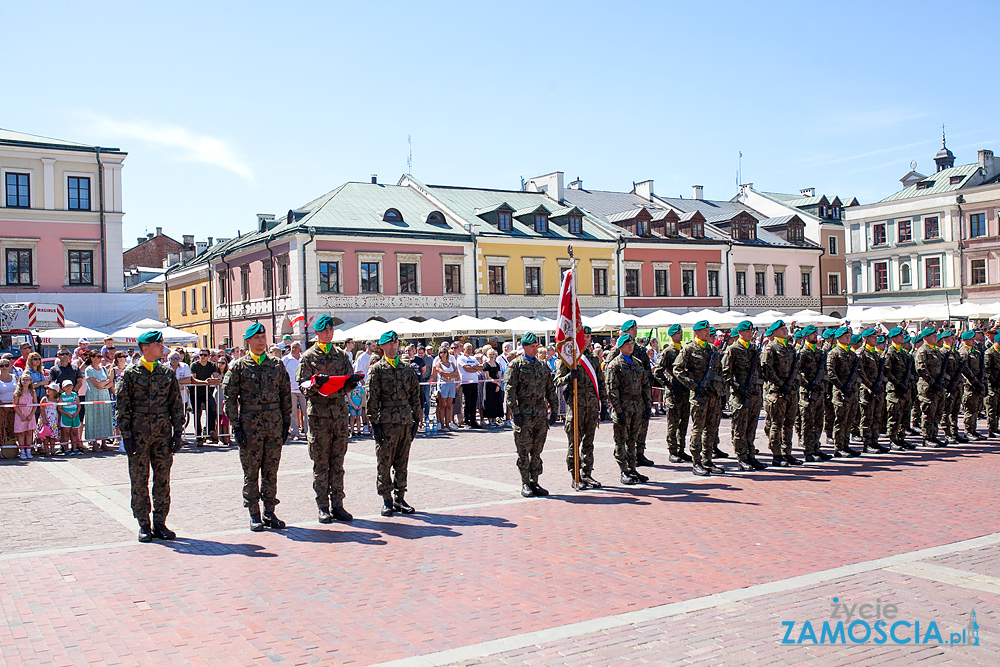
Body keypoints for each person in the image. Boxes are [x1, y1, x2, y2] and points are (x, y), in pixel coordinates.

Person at [115, 330, 185, 543]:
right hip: (139, 434)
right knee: (139, 480)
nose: (162, 347)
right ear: (145, 348)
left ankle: (160, 523)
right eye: (158, 344)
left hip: (163, 434)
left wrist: (178, 432)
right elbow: (122, 406)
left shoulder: (166, 373)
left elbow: (175, 404)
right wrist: (125, 436)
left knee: (162, 479)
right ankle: (143, 524)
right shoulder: (131, 374)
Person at [223, 323, 292, 532]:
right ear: (248, 341)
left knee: (271, 470)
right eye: (257, 337)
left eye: (264, 337)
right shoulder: (239, 367)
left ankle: (269, 511)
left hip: (273, 424)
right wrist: (236, 426)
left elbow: (285, 394)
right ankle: (254, 512)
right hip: (250, 425)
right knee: (251, 471)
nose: (262, 340)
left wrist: (286, 421)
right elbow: (229, 398)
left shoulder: (277, 364)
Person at [296, 315, 361, 523]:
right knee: (321, 463)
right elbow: (302, 386)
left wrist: (352, 381)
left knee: (338, 462)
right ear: (316, 333)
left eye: (331, 330)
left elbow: (347, 383)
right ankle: (323, 506)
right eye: (324, 330)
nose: (328, 333)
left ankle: (338, 505)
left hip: (339, 415)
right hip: (319, 416)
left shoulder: (341, 355)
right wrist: (315, 385)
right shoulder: (308, 357)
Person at [365, 331, 421, 516]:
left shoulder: (407, 368)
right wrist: (374, 423)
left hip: (405, 420)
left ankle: (400, 497)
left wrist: (416, 418)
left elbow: (415, 395)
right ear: (381, 347)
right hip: (386, 421)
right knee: (384, 462)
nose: (392, 346)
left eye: (395, 343)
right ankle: (386, 499)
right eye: (388, 343)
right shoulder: (377, 370)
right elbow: (371, 398)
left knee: (402, 461)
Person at [504, 333, 559, 497]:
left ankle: (535, 481)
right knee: (523, 450)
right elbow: (510, 390)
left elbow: (550, 389)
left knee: (537, 450)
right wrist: (515, 411)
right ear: (524, 347)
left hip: (540, 412)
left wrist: (554, 408)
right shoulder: (516, 365)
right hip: (524, 411)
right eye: (532, 347)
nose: (535, 349)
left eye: (536, 346)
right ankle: (525, 483)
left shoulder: (542, 365)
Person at [672, 320, 727, 476]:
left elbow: (719, 373)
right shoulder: (689, 349)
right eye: (704, 330)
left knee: (711, 429)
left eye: (708, 330)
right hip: (699, 396)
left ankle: (707, 460)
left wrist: (720, 392)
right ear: (697, 332)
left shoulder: (712, 349)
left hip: (713, 395)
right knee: (698, 429)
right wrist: (694, 386)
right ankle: (696, 461)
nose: (707, 332)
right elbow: (677, 369)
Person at [554, 326, 604, 489]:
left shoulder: (594, 358)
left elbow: (600, 382)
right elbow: (557, 381)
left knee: (588, 442)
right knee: (574, 442)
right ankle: (575, 476)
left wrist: (603, 404)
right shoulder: (569, 358)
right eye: (584, 336)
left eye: (589, 337)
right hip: (575, 405)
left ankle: (587, 474)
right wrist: (568, 377)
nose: (587, 339)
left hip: (591, 405)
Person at [721, 320, 767, 471]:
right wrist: (737, 387)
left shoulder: (753, 349)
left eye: (750, 331)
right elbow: (725, 372)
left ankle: (751, 455)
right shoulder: (733, 349)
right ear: (739, 333)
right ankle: (741, 458)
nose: (749, 333)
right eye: (746, 331)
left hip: (754, 394)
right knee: (740, 428)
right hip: (740, 395)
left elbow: (759, 371)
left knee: (751, 427)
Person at [608, 320, 655, 466]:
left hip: (639, 398)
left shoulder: (640, 352)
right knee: (623, 435)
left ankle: (638, 455)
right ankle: (625, 464)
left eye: (635, 329)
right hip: (624, 400)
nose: (635, 331)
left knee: (639, 430)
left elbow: (647, 370)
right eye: (632, 329)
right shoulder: (617, 352)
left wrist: (647, 402)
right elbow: (610, 377)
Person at [605, 333, 649, 485]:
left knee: (633, 439)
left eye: (632, 344)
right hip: (623, 408)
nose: (631, 346)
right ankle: (623, 470)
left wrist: (647, 406)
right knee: (621, 440)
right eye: (627, 344)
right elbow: (612, 390)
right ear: (621, 346)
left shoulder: (637, 363)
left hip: (637, 407)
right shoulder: (615, 365)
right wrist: (618, 410)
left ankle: (632, 468)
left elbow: (645, 385)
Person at [760, 320, 802, 466]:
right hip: (776, 391)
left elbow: (795, 369)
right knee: (776, 424)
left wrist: (791, 385)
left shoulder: (790, 348)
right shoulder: (771, 347)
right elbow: (767, 369)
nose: (785, 331)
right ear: (775, 332)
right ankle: (776, 454)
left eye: (785, 328)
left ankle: (787, 452)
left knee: (789, 423)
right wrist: (781, 384)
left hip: (790, 390)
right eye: (782, 329)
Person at [654, 324, 692, 463]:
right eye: (678, 333)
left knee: (684, 423)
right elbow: (657, 371)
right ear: (672, 335)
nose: (680, 335)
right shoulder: (668, 352)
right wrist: (667, 384)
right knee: (673, 424)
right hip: (674, 392)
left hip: (684, 391)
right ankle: (673, 451)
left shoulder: (683, 350)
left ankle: (681, 450)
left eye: (681, 332)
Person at [827, 326, 862, 456]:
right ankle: (838, 447)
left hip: (852, 392)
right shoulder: (834, 353)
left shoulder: (852, 354)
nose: (848, 337)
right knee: (840, 420)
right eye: (845, 336)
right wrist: (842, 387)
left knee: (850, 420)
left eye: (849, 336)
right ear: (838, 338)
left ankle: (846, 445)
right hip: (840, 392)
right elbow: (831, 373)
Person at [883, 327, 916, 451]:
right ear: (893, 338)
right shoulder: (890, 352)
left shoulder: (903, 353)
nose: (903, 337)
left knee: (904, 415)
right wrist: (898, 383)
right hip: (894, 390)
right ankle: (893, 440)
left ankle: (901, 438)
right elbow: (887, 371)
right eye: (900, 336)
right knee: (894, 416)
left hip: (904, 389)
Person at [914, 327, 947, 448]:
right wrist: (933, 382)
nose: (936, 337)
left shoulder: (936, 351)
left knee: (937, 412)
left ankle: (934, 435)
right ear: (926, 338)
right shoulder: (923, 351)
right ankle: (927, 437)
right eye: (933, 336)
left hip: (938, 386)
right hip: (928, 387)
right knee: (928, 413)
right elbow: (921, 369)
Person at [958, 330, 987, 440]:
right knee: (970, 408)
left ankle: (973, 430)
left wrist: (981, 381)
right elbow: (966, 370)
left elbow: (981, 368)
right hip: (969, 384)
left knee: (976, 408)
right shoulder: (964, 352)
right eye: (971, 339)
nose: (973, 341)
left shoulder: (975, 352)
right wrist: (975, 381)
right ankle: (968, 431)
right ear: (965, 340)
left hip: (977, 383)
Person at [85, 352, 115, 451]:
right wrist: (105, 383)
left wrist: (104, 384)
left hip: (104, 395)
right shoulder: (89, 370)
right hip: (94, 396)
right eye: (98, 357)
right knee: (94, 418)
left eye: (101, 356)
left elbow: (111, 382)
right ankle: (94, 443)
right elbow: (96, 384)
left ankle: (104, 442)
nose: (100, 358)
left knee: (105, 417)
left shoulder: (103, 369)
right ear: (92, 358)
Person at [190, 349, 221, 444]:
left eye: (204, 355)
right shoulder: (194, 365)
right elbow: (193, 379)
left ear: (208, 356)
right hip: (195, 392)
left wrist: (215, 380)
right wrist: (205, 382)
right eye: (201, 355)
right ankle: (199, 437)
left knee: (212, 407)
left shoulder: (211, 365)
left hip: (206, 392)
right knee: (197, 414)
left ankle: (210, 431)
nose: (202, 356)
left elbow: (215, 376)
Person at [282, 342, 308, 441]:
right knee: (293, 413)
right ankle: (295, 433)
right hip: (291, 390)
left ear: (300, 349)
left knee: (306, 411)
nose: (293, 349)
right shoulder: (286, 360)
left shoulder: (304, 359)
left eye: (295, 347)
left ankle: (307, 432)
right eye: (292, 347)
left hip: (302, 389)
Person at [431, 344, 459, 430]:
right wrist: (451, 375)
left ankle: (448, 423)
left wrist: (450, 375)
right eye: (441, 353)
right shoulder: (438, 363)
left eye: (444, 352)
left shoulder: (451, 363)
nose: (442, 354)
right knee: (442, 405)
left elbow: (457, 373)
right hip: (443, 384)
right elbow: (442, 373)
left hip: (451, 384)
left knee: (449, 405)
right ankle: (442, 424)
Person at [456, 342, 483, 429]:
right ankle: (466, 421)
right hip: (465, 382)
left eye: (470, 349)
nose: (469, 350)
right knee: (467, 402)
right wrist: (474, 368)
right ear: (463, 349)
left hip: (474, 382)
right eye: (467, 348)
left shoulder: (473, 358)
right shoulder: (461, 358)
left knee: (473, 402)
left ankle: (473, 420)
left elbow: (480, 367)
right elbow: (467, 369)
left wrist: (473, 367)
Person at [13, 372, 36, 459]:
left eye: (27, 380)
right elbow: (15, 405)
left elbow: (35, 404)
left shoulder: (32, 392)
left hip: (30, 414)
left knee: (29, 433)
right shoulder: (17, 392)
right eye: (23, 379)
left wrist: (31, 415)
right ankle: (22, 451)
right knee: (21, 433)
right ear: (20, 381)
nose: (25, 381)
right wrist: (21, 416)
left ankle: (28, 450)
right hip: (20, 415)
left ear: (30, 381)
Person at [57, 380, 83, 454]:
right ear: (63, 388)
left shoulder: (75, 395)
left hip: (75, 416)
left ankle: (74, 448)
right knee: (66, 433)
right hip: (66, 417)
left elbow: (78, 405)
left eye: (70, 385)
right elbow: (60, 408)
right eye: (66, 386)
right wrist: (67, 414)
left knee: (74, 433)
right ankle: (66, 449)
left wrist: (76, 413)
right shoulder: (62, 397)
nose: (69, 387)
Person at [353, 341, 373, 435]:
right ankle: (365, 425)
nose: (374, 347)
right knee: (364, 407)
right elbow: (358, 372)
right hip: (364, 386)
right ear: (367, 346)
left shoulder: (375, 356)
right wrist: (364, 383)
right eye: (373, 346)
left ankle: (372, 425)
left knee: (372, 406)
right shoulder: (362, 357)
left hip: (374, 385)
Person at [482, 349, 504, 427]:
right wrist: (496, 382)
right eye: (490, 354)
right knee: (489, 402)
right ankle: (490, 421)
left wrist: (498, 385)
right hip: (489, 385)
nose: (492, 356)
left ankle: (495, 420)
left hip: (496, 385)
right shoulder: (485, 364)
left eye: (493, 354)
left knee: (496, 402)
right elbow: (487, 377)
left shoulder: (497, 364)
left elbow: (499, 375)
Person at [37, 383, 60, 456]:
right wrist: (44, 419)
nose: (48, 390)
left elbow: (58, 410)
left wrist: (59, 420)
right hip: (46, 418)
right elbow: (42, 409)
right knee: (46, 436)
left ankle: (53, 450)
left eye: (50, 389)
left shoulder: (57, 400)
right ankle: (46, 450)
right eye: (47, 389)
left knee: (52, 436)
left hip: (54, 419)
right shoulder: (45, 399)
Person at [986, 333, 1000, 438]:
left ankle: (996, 427)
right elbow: (986, 369)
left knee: (998, 407)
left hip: (998, 384)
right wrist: (993, 381)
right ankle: (991, 428)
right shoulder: (989, 353)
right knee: (992, 407)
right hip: (992, 384)